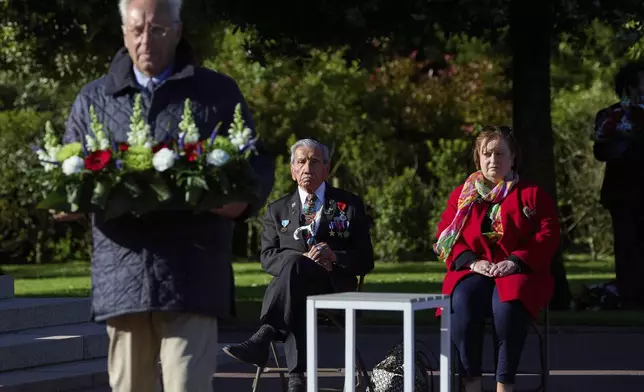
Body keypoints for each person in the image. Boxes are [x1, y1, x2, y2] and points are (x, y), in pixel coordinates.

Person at [54, 0, 275, 391]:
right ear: (124, 32)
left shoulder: (215, 93)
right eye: (137, 30)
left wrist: (244, 198)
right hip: (122, 273)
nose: (146, 40)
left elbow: (255, 162)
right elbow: (67, 173)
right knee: (130, 386)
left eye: (157, 30)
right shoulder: (95, 98)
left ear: (177, 30)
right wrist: (65, 201)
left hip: (193, 270)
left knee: (188, 384)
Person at [222, 139, 374, 392]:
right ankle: (295, 377)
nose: (307, 168)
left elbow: (366, 260)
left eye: (314, 161)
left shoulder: (349, 205)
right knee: (294, 274)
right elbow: (268, 257)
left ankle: (271, 340)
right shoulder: (277, 210)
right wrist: (300, 261)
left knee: (292, 281)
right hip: (294, 288)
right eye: (301, 162)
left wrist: (335, 256)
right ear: (293, 171)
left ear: (326, 169)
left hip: (332, 286)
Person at [433, 126, 560, 392]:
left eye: (500, 153)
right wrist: (473, 262)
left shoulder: (532, 194)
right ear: (477, 158)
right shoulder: (462, 195)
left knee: (508, 306)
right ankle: (472, 383)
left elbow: (548, 235)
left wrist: (515, 260)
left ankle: (504, 384)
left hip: (518, 271)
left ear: (513, 157)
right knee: (462, 302)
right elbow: (446, 237)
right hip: (474, 269)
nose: (494, 160)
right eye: (487, 154)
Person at [593, 61, 644, 310]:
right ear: (630, 87)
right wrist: (620, 139)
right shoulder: (610, 116)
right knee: (627, 248)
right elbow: (601, 151)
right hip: (623, 194)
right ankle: (630, 298)